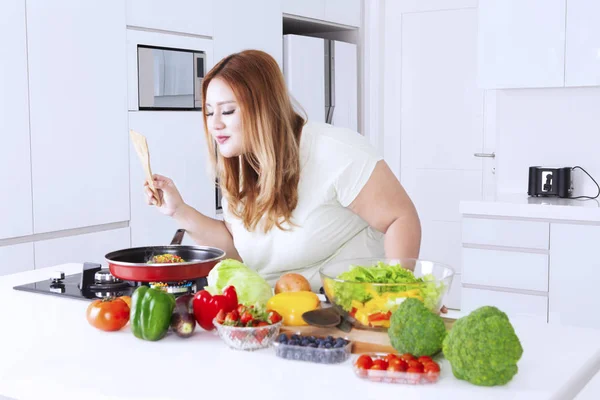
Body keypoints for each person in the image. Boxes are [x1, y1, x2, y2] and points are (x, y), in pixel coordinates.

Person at [144, 49, 422, 291]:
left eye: (227, 111)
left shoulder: (336, 151)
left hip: (344, 309)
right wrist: (178, 210)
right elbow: (237, 249)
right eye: (208, 112)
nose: (214, 124)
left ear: (263, 108)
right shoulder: (242, 165)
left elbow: (401, 218)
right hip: (278, 314)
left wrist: (395, 296)